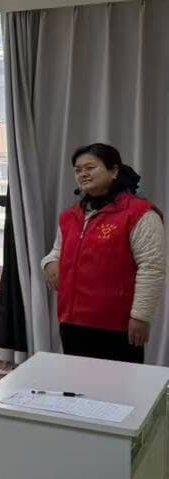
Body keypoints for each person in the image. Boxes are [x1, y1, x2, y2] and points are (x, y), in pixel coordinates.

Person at [42, 143, 165, 364]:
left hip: (117, 326)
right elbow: (57, 251)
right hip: (72, 321)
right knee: (76, 381)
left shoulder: (140, 213)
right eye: (78, 170)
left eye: (90, 167)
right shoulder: (70, 216)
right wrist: (49, 262)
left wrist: (141, 316)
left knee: (119, 384)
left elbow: (152, 267)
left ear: (114, 171)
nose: (83, 174)